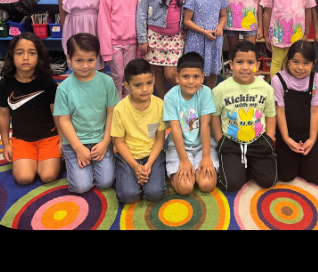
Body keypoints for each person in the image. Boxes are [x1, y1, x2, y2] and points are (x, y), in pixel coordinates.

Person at [53, 33, 119, 193]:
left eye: (90, 60)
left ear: (97, 57)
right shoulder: (63, 88)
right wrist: (78, 148)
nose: (85, 66)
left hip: (100, 140)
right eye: (79, 60)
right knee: (81, 187)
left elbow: (112, 113)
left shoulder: (107, 81)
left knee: (106, 182)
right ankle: (70, 160)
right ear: (69, 58)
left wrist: (105, 142)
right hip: (75, 142)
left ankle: (91, 163)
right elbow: (64, 120)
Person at [0, 32, 61, 185]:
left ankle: (50, 158)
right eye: (19, 53)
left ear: (39, 57)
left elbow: (56, 112)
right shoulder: (4, 85)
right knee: (24, 178)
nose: (25, 57)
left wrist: (62, 139)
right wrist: (5, 144)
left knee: (48, 176)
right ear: (12, 56)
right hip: (22, 139)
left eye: (31, 53)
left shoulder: (47, 82)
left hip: (49, 137)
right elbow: (3, 116)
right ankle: (34, 159)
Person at [211, 41, 277, 191]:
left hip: (258, 140)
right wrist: (220, 140)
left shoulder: (266, 89)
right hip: (231, 142)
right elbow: (214, 116)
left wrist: (269, 138)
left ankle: (247, 163)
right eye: (240, 62)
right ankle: (238, 165)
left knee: (269, 181)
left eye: (250, 62)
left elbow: (271, 114)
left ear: (257, 66)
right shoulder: (220, 90)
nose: (245, 67)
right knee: (231, 184)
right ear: (231, 64)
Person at [111, 58, 168, 204]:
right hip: (129, 156)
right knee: (128, 196)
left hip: (152, 155)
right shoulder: (120, 109)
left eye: (149, 83)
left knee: (155, 193)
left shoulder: (160, 105)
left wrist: (148, 165)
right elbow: (119, 142)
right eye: (138, 85)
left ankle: (144, 177)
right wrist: (136, 166)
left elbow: (160, 139)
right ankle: (130, 174)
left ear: (154, 80)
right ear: (127, 85)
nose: (145, 89)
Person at [163, 52, 218, 195]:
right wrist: (184, 159)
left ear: (203, 77)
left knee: (206, 185)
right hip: (179, 146)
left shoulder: (205, 93)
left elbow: (205, 125)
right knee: (185, 187)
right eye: (185, 76)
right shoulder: (170, 97)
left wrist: (206, 157)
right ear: (177, 77)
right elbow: (175, 129)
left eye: (196, 77)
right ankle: (174, 173)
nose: (191, 81)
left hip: (203, 145)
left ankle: (194, 169)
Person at [271, 40, 318, 184]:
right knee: (285, 176)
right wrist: (287, 139)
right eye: (295, 62)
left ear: (313, 64)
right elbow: (279, 112)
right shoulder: (278, 79)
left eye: (306, 63)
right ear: (288, 62)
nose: (300, 67)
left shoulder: (317, 80)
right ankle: (294, 159)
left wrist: (312, 140)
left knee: (316, 177)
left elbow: (315, 112)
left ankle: (302, 158)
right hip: (287, 134)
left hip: (309, 133)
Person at [260, 0, 316, 79]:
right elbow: (267, 12)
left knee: (292, 62)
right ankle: (275, 89)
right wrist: (266, 35)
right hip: (277, 34)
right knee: (277, 62)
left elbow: (308, 11)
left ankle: (288, 87)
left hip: (297, 35)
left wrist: (306, 33)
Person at [98, 0, 142, 99]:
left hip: (132, 43)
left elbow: (142, 19)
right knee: (117, 75)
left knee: (130, 74)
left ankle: (130, 101)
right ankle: (116, 103)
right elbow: (103, 23)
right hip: (114, 43)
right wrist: (106, 49)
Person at [182, 0, 229, 88]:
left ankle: (209, 98)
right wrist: (204, 32)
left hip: (214, 40)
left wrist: (220, 27)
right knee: (195, 71)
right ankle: (195, 97)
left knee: (214, 71)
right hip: (197, 40)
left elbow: (223, 16)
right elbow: (186, 21)